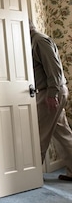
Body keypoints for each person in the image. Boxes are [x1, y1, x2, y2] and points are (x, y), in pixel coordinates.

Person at [30, 21, 72, 181]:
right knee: (63, 134)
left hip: (49, 93)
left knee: (39, 134)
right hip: (51, 92)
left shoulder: (39, 40)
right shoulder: (34, 40)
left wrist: (52, 94)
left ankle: (31, 176)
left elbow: (54, 69)